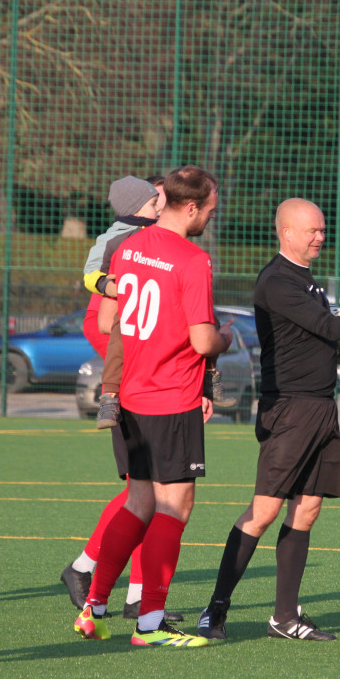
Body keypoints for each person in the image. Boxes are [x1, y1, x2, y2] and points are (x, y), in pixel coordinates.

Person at [194, 198, 340, 642]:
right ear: (286, 232)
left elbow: (318, 335)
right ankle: (216, 608)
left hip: (321, 406)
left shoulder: (305, 279)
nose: (320, 236)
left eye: (322, 229)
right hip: (291, 408)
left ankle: (284, 616)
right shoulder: (276, 280)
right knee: (263, 512)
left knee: (308, 509)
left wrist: (339, 353)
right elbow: (329, 326)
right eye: (312, 230)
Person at [71, 165, 228, 649]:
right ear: (192, 207)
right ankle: (150, 624)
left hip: (129, 395)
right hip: (170, 396)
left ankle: (93, 607)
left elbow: (109, 319)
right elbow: (203, 341)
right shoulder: (192, 258)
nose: (212, 218)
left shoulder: (128, 247)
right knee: (174, 505)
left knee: (139, 501)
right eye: (211, 209)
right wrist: (226, 337)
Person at [88, 175, 233, 431]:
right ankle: (110, 394)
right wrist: (112, 287)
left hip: (144, 391)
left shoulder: (138, 244)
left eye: (161, 203)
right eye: (155, 203)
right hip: (167, 393)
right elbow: (99, 310)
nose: (159, 210)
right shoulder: (126, 243)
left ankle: (208, 379)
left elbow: (105, 321)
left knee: (208, 321)